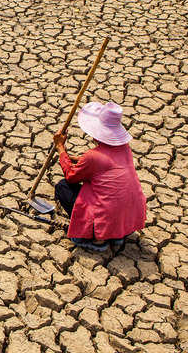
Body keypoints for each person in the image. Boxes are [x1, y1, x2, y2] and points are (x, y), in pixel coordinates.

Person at [52, 101, 146, 251]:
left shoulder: (93, 157)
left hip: (106, 216)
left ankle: (93, 238)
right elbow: (105, 165)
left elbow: (71, 176)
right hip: (129, 217)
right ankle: (116, 235)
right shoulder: (124, 148)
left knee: (63, 187)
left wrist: (60, 148)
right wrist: (77, 159)